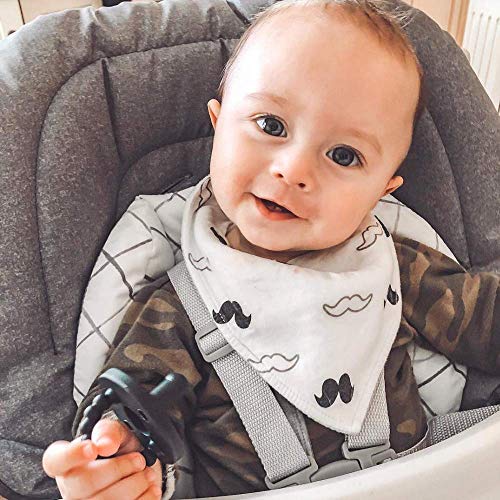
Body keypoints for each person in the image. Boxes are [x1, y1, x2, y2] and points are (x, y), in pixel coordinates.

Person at [42, 1, 499, 499]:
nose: (294, 169)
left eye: (343, 155)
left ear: (381, 192)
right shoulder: (179, 307)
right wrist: (119, 462)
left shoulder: (393, 267)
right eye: (271, 125)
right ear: (218, 124)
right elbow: (138, 401)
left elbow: (487, 322)